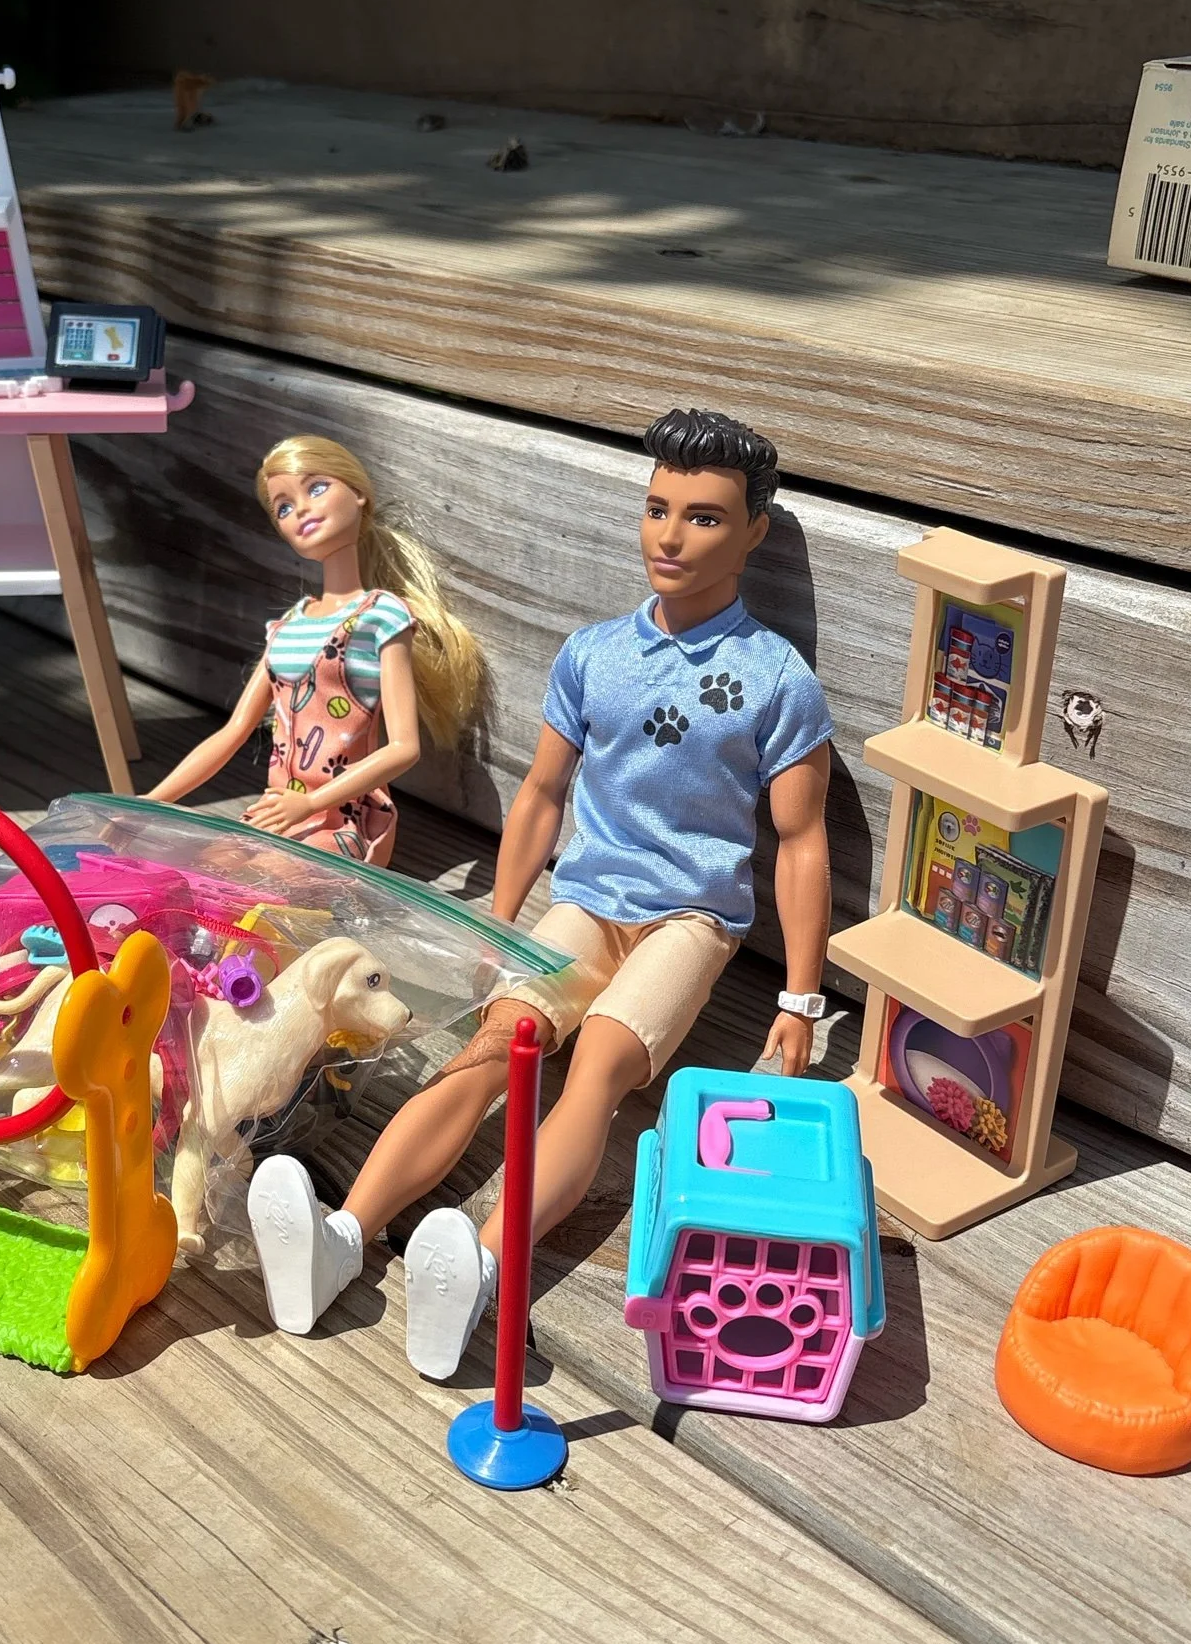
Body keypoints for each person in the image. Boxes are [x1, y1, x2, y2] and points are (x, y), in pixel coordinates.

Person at [246, 408, 836, 1376]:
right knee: (498, 1044)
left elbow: (802, 842)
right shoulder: (594, 653)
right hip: (585, 900)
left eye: (703, 517)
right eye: (657, 509)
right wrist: (499, 920)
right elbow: (541, 794)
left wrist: (800, 999)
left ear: (752, 533)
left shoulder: (775, 678)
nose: (669, 536)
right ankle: (342, 1235)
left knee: (597, 1064)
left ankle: (480, 1266)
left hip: (688, 919)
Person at [148, 435, 484, 866]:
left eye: (317, 488)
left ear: (358, 493)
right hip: (276, 813)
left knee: (266, 883)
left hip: (344, 817)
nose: (301, 509)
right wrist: (152, 800)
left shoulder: (381, 615)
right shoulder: (289, 624)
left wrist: (311, 803)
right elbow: (234, 731)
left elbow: (404, 747)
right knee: (198, 869)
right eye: (284, 508)